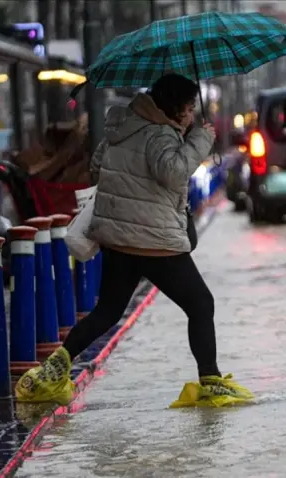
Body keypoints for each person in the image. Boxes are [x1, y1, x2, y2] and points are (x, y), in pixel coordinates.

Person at [15, 74, 253, 406]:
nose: (190, 116)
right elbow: (172, 172)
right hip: (154, 241)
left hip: (118, 239)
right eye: (189, 109)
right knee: (201, 304)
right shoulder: (159, 134)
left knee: (108, 310)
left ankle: (53, 370)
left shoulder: (122, 127)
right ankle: (210, 381)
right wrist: (200, 140)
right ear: (175, 108)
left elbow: (98, 168)